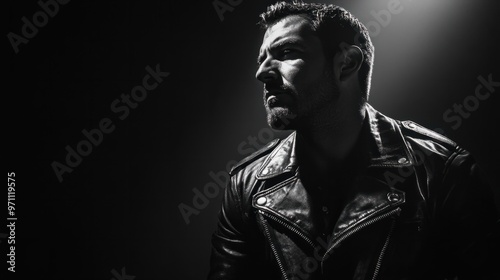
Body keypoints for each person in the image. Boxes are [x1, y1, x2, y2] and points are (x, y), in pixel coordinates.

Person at [207, 2, 499, 279]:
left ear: (346, 63)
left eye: (286, 52)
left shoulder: (442, 170)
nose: (262, 73)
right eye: (262, 60)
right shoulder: (246, 184)